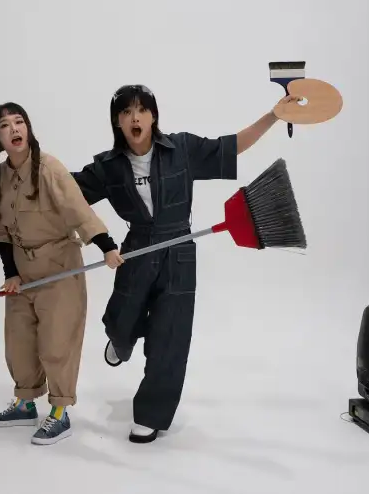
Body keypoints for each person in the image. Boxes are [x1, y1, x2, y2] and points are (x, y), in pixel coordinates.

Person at [70, 84, 294, 443]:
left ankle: (151, 414)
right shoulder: (107, 167)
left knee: (170, 335)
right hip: (137, 249)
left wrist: (273, 116)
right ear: (117, 121)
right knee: (122, 320)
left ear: (153, 116)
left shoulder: (182, 150)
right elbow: (66, 192)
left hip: (178, 251)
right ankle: (121, 341)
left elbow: (231, 146)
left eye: (141, 110)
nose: (134, 118)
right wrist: (30, 168)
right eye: (126, 112)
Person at [0, 102, 123, 445]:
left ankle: (60, 412)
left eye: (19, 122)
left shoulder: (49, 168)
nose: (14, 129)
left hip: (59, 268)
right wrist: (11, 272)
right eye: (5, 125)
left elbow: (78, 210)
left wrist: (106, 246)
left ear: (28, 129)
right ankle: (25, 403)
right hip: (22, 273)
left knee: (57, 342)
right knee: (19, 341)